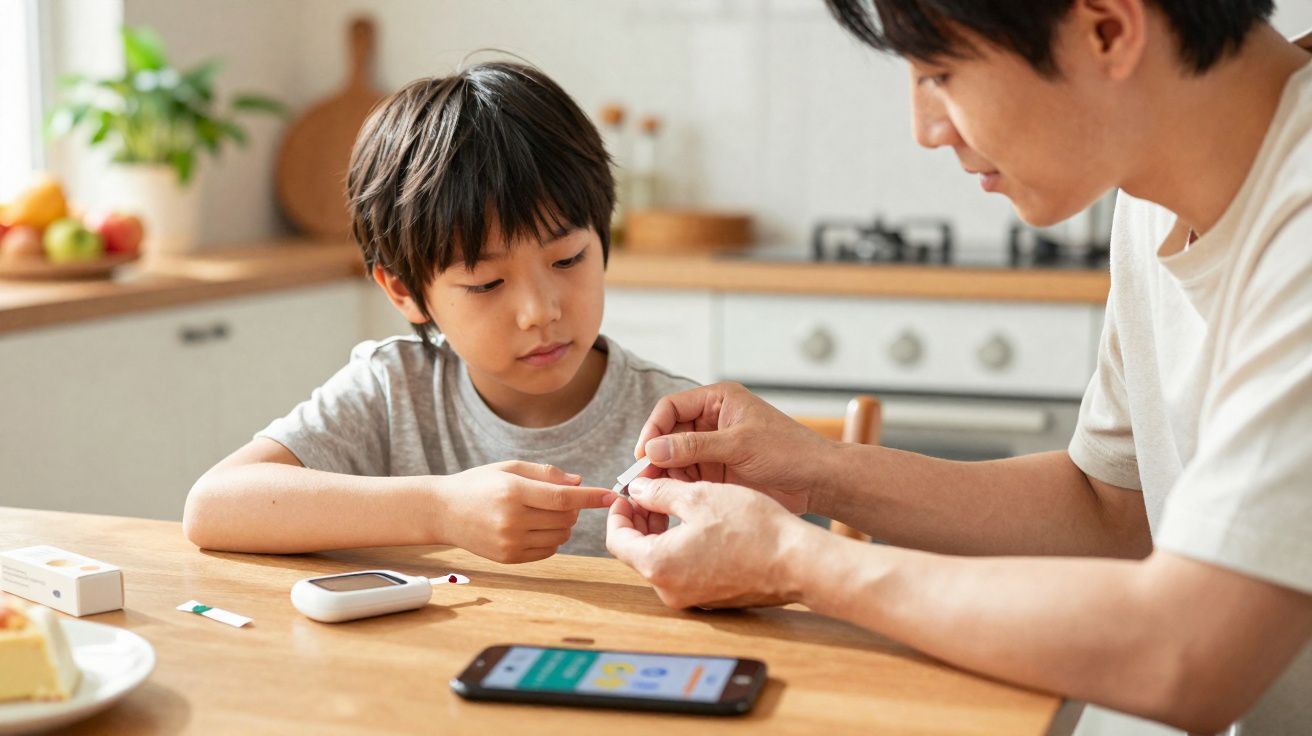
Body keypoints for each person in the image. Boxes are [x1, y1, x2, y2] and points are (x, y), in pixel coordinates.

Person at [605, 2, 1312, 732]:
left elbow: (1188, 654)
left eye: (939, 73)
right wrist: (815, 470)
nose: (925, 128)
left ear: (1106, 29)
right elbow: (1113, 511)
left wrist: (792, 561)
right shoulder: (1154, 196)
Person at [183, 61, 695, 562]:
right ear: (405, 290)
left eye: (568, 259)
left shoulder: (675, 424)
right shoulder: (393, 389)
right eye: (486, 282)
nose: (539, 312)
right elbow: (214, 505)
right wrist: (438, 509)